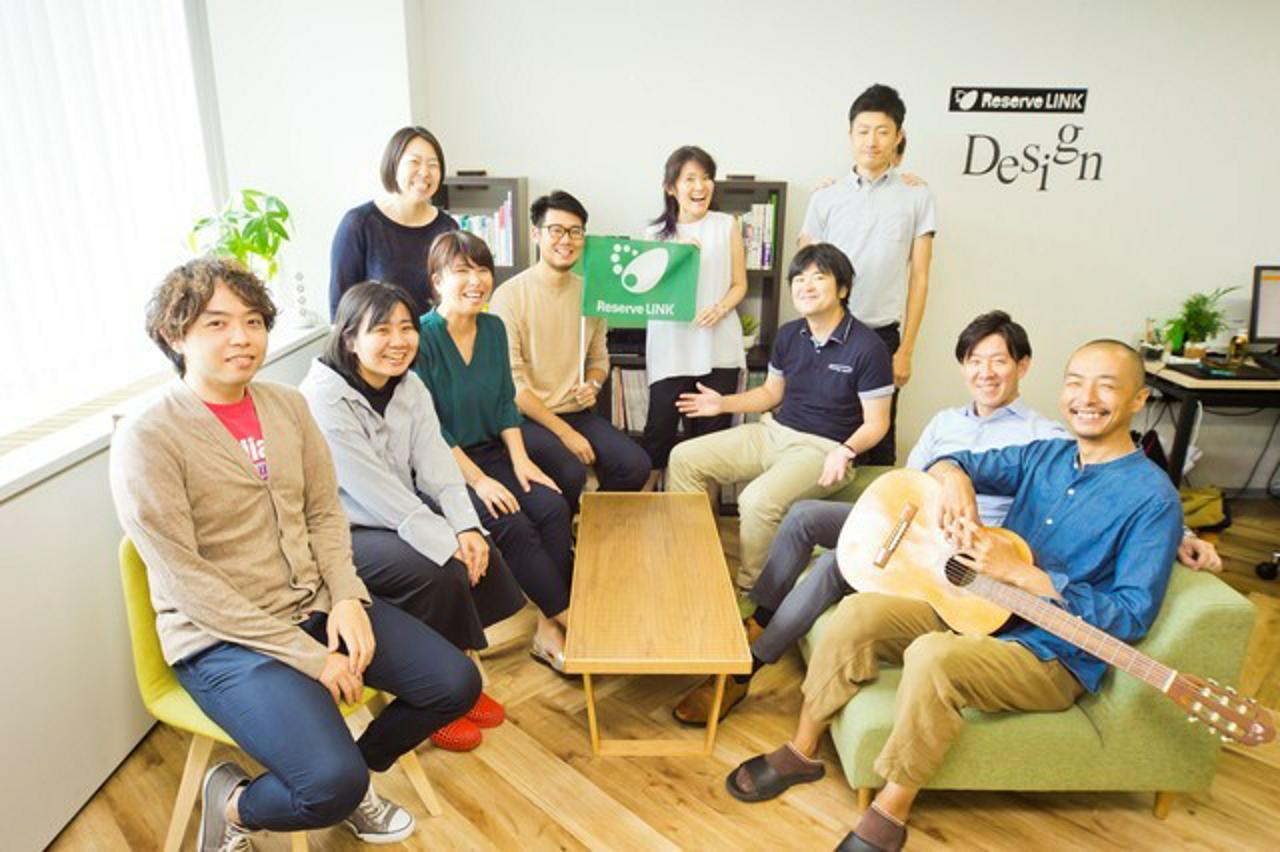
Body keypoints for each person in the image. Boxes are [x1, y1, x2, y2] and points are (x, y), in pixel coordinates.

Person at [726, 340, 1184, 852]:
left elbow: (1132, 615)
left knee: (933, 655)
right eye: (1076, 382)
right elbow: (952, 458)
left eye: (1107, 385)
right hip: (981, 609)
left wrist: (1028, 577)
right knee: (857, 611)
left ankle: (890, 810)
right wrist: (954, 478)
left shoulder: (1153, 498)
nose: (1087, 397)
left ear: (1139, 399)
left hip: (1052, 653)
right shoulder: (1046, 455)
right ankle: (802, 749)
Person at [111, 257, 479, 849]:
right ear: (173, 335)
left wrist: (349, 598)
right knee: (328, 782)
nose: (242, 337)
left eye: (253, 321)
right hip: (223, 640)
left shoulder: (287, 406)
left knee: (455, 684)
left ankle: (350, 782)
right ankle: (236, 804)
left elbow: (324, 515)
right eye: (216, 323)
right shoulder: (148, 435)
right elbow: (187, 583)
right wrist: (312, 659)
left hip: (315, 605)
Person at [674, 310, 1068, 725]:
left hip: (957, 559)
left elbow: (1045, 522)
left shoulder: (1045, 438)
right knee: (804, 516)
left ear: (1023, 365)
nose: (985, 372)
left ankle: (744, 670)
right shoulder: (945, 422)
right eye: (975, 360)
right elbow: (910, 481)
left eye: (998, 361)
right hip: (915, 527)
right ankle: (761, 618)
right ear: (963, 367)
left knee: (834, 562)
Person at [301, 282, 528, 751]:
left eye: (406, 328)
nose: (399, 341)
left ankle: (460, 674)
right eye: (381, 330)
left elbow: (437, 463)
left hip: (395, 511)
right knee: (436, 568)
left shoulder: (409, 383)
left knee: (482, 542)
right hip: (342, 529)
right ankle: (437, 698)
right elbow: (374, 492)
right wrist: (447, 543)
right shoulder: (322, 398)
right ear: (349, 337)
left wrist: (466, 527)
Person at [667, 242, 893, 591]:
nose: (806, 286)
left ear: (843, 289)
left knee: (756, 501)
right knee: (684, 458)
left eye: (819, 277)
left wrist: (845, 451)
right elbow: (771, 395)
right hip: (772, 432)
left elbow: (877, 422)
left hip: (823, 449)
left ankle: (753, 590)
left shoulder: (868, 347)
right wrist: (723, 403)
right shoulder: (789, 334)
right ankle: (695, 560)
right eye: (799, 279)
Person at [413, 231, 576, 671]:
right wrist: (480, 482)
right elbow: (430, 430)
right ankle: (572, 622)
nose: (476, 280)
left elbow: (506, 402)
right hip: (444, 467)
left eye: (482, 269)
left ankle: (547, 625)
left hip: (493, 452)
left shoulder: (493, 328)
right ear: (437, 281)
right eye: (461, 271)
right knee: (513, 525)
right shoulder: (421, 338)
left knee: (553, 505)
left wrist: (522, 461)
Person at [800, 84, 937, 465]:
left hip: (881, 336)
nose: (871, 141)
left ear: (898, 136)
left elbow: (920, 277)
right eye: (863, 131)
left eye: (882, 131)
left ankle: (875, 506)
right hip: (827, 333)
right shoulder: (825, 196)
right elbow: (806, 269)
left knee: (879, 442)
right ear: (850, 135)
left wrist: (905, 350)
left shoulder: (917, 195)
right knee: (821, 436)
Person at [489, 190, 650, 511]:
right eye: (556, 230)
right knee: (571, 473)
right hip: (527, 417)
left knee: (635, 466)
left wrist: (593, 384)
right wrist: (565, 434)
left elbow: (599, 360)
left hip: (577, 412)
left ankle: (592, 525)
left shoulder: (591, 294)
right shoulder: (509, 296)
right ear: (536, 234)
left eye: (575, 232)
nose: (567, 240)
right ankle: (567, 528)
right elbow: (514, 386)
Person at [640, 145, 748, 479]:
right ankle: (647, 505)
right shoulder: (654, 235)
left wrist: (720, 308)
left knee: (710, 443)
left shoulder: (727, 225)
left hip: (718, 346)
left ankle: (706, 511)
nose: (700, 186)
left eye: (706, 177)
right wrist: (675, 256)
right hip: (671, 348)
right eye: (689, 179)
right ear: (670, 188)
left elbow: (739, 284)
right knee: (658, 434)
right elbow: (648, 295)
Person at [330, 126, 458, 319]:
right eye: (414, 162)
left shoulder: (448, 228)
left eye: (433, 164)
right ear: (393, 164)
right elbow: (339, 306)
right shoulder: (359, 223)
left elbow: (453, 299)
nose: (425, 172)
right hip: (376, 337)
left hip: (434, 337)